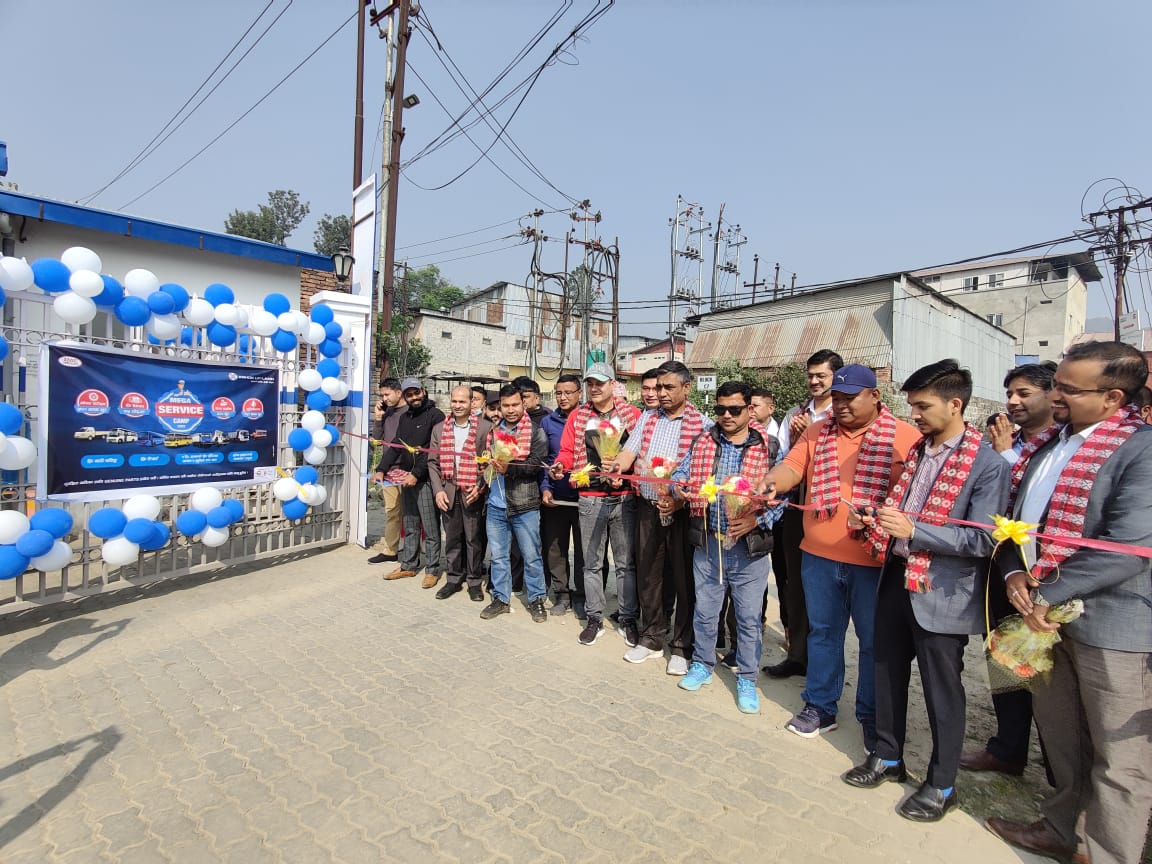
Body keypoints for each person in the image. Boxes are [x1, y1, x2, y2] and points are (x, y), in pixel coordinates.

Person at [985, 341, 1152, 864]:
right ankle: (1061, 829)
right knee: (1062, 737)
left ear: (1113, 397)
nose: (1055, 395)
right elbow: (1016, 520)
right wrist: (1014, 570)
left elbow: (1129, 547)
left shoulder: (1141, 451)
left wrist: (1048, 592)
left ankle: (1107, 853)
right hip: (1042, 616)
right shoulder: (1050, 446)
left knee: (1119, 759)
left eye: (1068, 389)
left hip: (1112, 626)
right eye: (1056, 383)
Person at [841, 360, 1009, 822]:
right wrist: (875, 517)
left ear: (955, 405)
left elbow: (983, 540)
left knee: (942, 690)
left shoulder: (988, 466)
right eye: (912, 405)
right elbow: (903, 510)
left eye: (922, 406)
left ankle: (941, 784)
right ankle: (887, 756)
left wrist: (915, 531)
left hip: (942, 591)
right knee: (886, 671)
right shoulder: (919, 452)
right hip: (897, 576)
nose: (913, 414)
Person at [762, 364, 920, 748]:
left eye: (851, 398)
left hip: (874, 562)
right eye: (836, 398)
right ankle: (820, 705)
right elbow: (792, 467)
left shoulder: (904, 437)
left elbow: (915, 496)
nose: (842, 405)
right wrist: (770, 483)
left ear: (875, 396)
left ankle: (872, 715)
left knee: (874, 641)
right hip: (819, 556)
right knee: (823, 633)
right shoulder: (818, 431)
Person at [962, 361, 1057, 779]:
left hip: (1051, 576)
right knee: (1003, 660)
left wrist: (1004, 456)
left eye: (1024, 393)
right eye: (1010, 394)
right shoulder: (1007, 441)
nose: (1013, 402)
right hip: (1003, 567)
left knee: (1051, 676)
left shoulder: (1061, 446)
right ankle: (1008, 748)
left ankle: (1058, 765)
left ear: (1054, 394)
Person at [672, 381, 781, 714]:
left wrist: (756, 520)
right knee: (706, 612)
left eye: (734, 409)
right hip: (709, 542)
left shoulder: (769, 446)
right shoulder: (704, 439)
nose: (727, 416)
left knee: (748, 618)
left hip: (749, 549)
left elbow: (783, 496)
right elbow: (681, 472)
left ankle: (746, 677)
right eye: (720, 409)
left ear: (749, 409)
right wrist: (680, 488)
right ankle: (702, 664)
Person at [612, 360, 710, 675]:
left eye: (669, 387)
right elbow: (630, 451)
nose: (662, 393)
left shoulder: (703, 425)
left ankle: (681, 646)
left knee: (683, 579)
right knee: (649, 575)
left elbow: (702, 472)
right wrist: (618, 466)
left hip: (683, 512)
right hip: (648, 507)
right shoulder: (648, 418)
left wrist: (679, 500)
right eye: (658, 387)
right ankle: (652, 637)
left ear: (686, 388)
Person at [549, 362, 643, 647]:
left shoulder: (632, 415)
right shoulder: (578, 416)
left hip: (624, 497)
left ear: (613, 384)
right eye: (590, 383)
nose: (594, 388)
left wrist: (624, 472)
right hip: (589, 497)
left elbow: (641, 451)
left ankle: (627, 618)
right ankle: (594, 618)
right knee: (590, 563)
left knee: (625, 564)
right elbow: (567, 450)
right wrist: (560, 465)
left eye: (600, 383)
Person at [763, 349, 843, 679]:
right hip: (797, 508)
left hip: (833, 512)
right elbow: (784, 459)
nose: (814, 381)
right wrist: (800, 440)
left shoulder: (844, 414)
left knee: (829, 592)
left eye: (821, 376)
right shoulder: (795, 414)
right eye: (810, 375)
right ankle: (797, 655)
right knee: (794, 583)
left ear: (836, 377)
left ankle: (825, 666)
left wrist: (814, 436)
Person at [480, 384, 550, 623]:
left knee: (532, 556)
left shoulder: (535, 432)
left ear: (524, 404)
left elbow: (535, 465)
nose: (510, 410)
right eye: (506, 405)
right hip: (495, 504)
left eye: (515, 405)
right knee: (499, 556)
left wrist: (509, 468)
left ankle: (537, 599)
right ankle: (501, 598)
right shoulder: (494, 431)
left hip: (525, 505)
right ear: (500, 406)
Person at [373, 378, 445, 588]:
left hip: (425, 480)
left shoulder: (436, 416)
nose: (414, 397)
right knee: (410, 524)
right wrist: (381, 469)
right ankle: (409, 565)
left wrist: (416, 473)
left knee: (430, 528)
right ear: (405, 396)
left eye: (416, 393)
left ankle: (432, 570)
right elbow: (397, 444)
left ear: (424, 391)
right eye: (409, 394)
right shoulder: (406, 417)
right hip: (406, 479)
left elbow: (433, 449)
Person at [428, 386, 488, 602]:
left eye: (462, 401)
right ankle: (453, 578)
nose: (457, 405)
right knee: (452, 538)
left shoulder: (485, 428)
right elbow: (432, 462)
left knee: (473, 539)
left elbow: (489, 462)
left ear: (472, 403)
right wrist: (438, 490)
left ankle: (474, 581)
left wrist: (480, 486)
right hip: (449, 491)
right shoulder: (439, 429)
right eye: (454, 401)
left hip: (472, 490)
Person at [540, 374, 585, 617]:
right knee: (555, 548)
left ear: (580, 393)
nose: (563, 397)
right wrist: (546, 487)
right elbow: (544, 460)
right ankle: (562, 594)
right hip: (557, 497)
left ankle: (582, 595)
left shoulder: (589, 419)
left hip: (585, 498)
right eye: (559, 393)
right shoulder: (548, 422)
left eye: (568, 392)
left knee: (585, 551)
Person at [367, 377, 407, 565]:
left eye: (387, 394)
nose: (384, 398)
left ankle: (414, 549)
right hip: (388, 469)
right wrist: (378, 418)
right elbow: (377, 439)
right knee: (392, 511)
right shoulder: (387, 412)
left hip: (408, 469)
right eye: (382, 395)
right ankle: (391, 550)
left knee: (412, 514)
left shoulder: (410, 412)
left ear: (399, 393)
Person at [986, 361, 1058, 465]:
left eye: (1024, 394)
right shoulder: (994, 447)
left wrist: (1006, 454)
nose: (1012, 401)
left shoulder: (1066, 445)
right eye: (1009, 396)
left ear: (1053, 396)